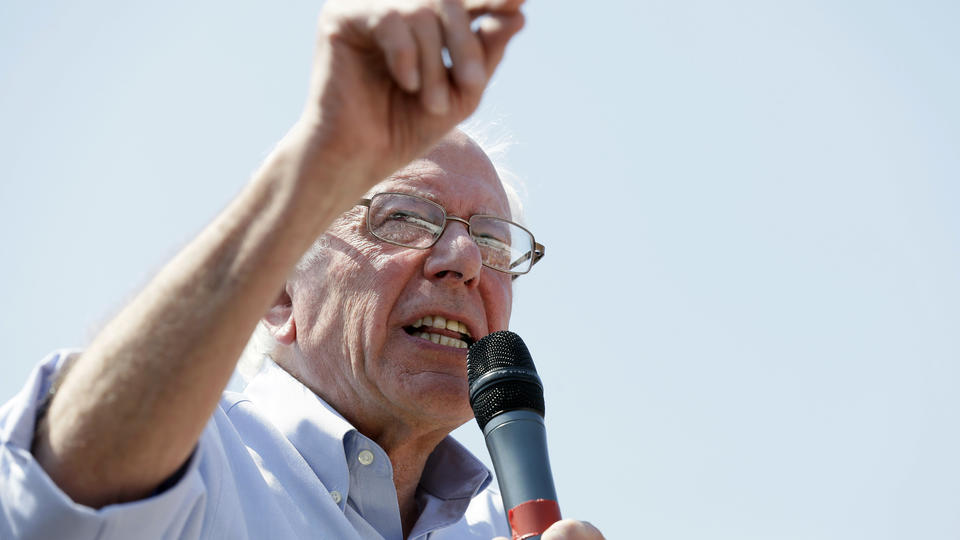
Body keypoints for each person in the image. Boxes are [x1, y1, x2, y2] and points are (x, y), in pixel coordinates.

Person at [0, 1, 604, 539]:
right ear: (280, 294)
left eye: (494, 242)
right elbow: (51, 504)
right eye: (405, 219)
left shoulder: (506, 528)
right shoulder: (202, 464)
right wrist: (322, 155)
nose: (466, 261)